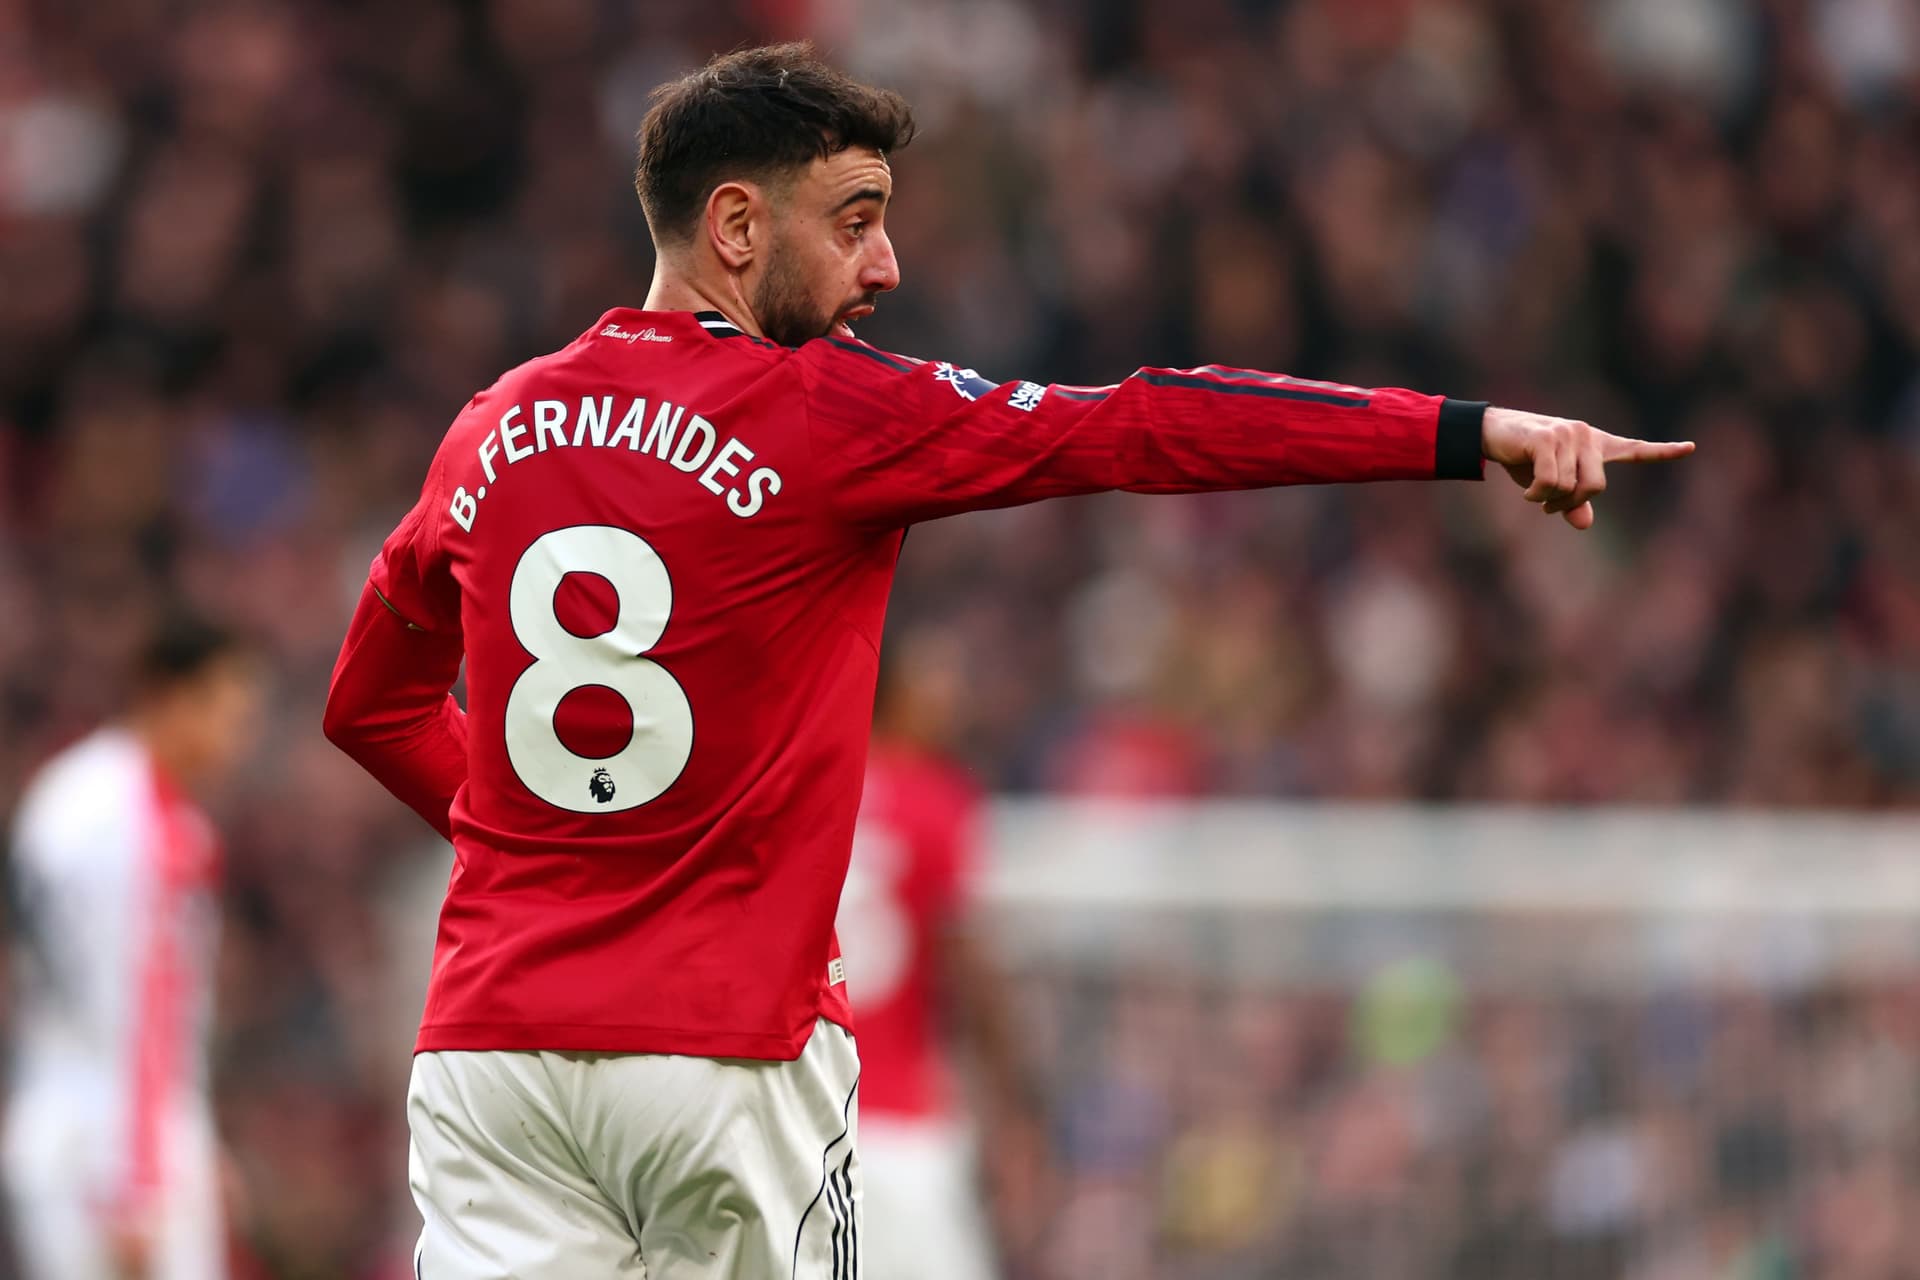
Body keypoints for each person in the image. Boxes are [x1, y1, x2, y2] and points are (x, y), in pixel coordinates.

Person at [321, 40, 1694, 1280]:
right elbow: (1148, 426)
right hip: (722, 1058)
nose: (887, 268)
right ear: (737, 226)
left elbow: (368, 704)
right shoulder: (826, 413)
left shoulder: (487, 429)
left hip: (492, 1055)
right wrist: (1465, 430)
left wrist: (561, 850)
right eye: (855, 222)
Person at [3, 610, 262, 1280]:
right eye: (230, 713)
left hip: (72, 1121)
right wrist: (143, 1183)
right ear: (172, 697)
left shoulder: (70, 795)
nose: (240, 739)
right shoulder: (137, 827)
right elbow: (132, 1012)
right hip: (109, 1146)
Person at [838, 629, 1042, 1280]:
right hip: (905, 1128)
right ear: (893, 689)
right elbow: (973, 971)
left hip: (802, 1124)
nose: (954, 697)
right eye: (937, 678)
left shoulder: (809, 787)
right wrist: (1015, 1109)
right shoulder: (940, 801)